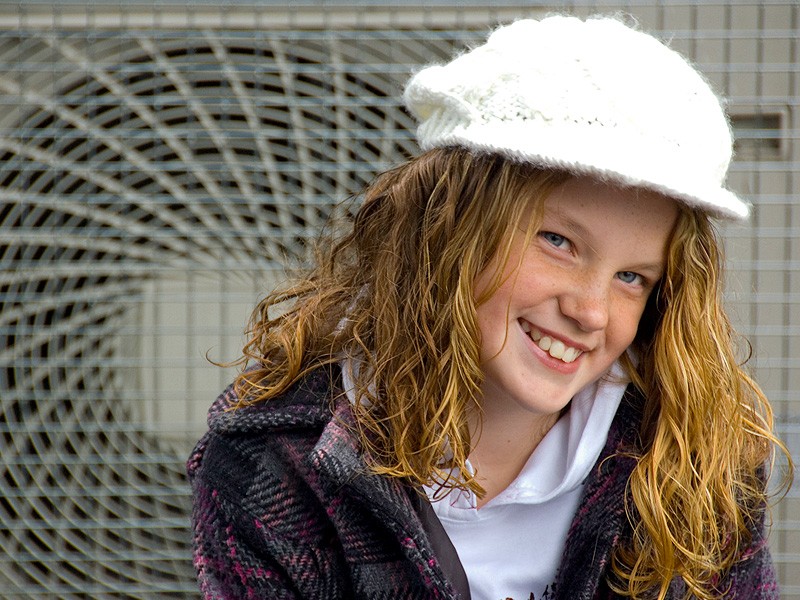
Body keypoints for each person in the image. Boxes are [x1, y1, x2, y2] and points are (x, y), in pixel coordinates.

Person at [187, 15, 791, 600]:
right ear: (450, 228)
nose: (591, 312)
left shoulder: (694, 465)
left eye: (631, 277)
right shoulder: (274, 459)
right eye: (558, 242)